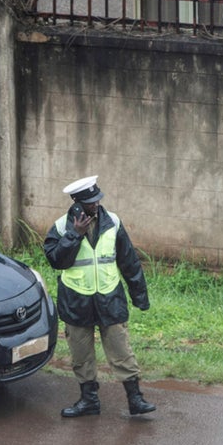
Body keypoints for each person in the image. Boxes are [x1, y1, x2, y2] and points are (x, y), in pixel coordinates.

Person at [43, 175, 155, 418]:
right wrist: (75, 234)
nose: (95, 205)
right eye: (89, 201)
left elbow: (129, 262)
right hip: (76, 301)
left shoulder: (113, 222)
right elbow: (55, 261)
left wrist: (140, 297)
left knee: (121, 350)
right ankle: (89, 401)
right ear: (76, 201)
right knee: (81, 356)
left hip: (109, 299)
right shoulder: (62, 226)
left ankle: (135, 399)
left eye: (97, 199)